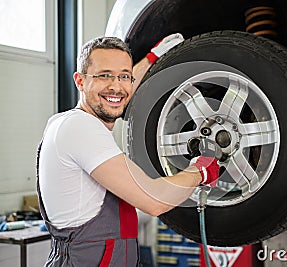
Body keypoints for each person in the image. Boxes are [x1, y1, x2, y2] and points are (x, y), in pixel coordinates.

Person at [36, 34, 220, 266]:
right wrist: (200, 171)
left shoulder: (65, 123)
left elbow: (119, 91)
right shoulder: (80, 128)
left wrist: (153, 57)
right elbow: (155, 201)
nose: (116, 86)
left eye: (124, 76)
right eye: (104, 76)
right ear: (80, 81)